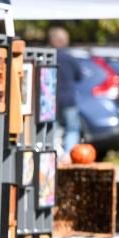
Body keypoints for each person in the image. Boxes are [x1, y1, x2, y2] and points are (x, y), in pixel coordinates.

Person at [47, 26, 84, 160]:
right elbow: (79, 76)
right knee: (72, 128)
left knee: (52, 129)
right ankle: (69, 154)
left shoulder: (47, 57)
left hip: (49, 100)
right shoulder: (69, 58)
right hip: (68, 98)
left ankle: (55, 153)